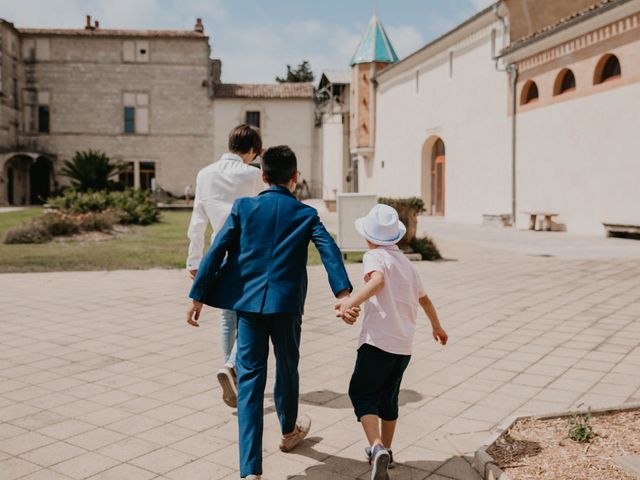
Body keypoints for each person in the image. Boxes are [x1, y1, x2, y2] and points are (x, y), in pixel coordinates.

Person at [186, 145, 360, 480]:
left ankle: (250, 471)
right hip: (286, 307)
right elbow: (329, 250)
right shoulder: (306, 214)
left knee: (250, 383)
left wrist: (198, 297)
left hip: (249, 307)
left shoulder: (244, 207)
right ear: (295, 178)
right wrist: (343, 295)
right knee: (288, 369)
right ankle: (288, 432)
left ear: (262, 177)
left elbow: (217, 248)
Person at [335, 204, 448, 480]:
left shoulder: (374, 256)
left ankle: (375, 449)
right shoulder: (408, 265)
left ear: (369, 236)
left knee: (361, 393)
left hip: (377, 342)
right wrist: (437, 325)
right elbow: (425, 299)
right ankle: (388, 450)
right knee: (388, 398)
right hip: (403, 346)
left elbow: (377, 282)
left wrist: (350, 301)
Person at [186, 124, 265, 408]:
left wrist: (195, 260)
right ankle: (232, 368)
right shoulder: (255, 175)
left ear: (230, 144)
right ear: (254, 150)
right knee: (249, 317)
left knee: (227, 318)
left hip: (217, 255)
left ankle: (227, 369)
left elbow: (197, 222)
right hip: (248, 254)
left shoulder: (204, 174)